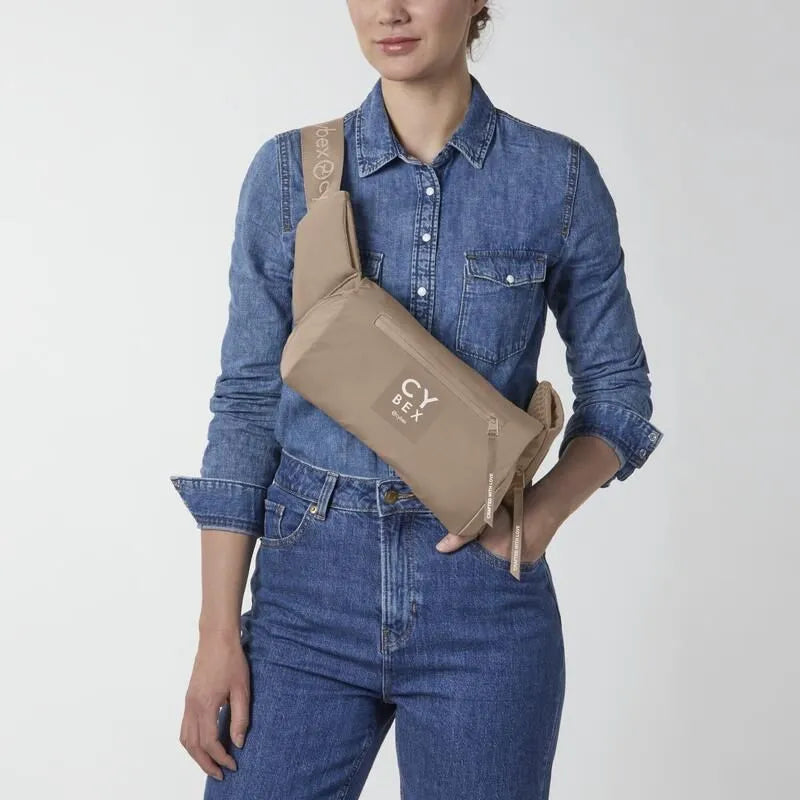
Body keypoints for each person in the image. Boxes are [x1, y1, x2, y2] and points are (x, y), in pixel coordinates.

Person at [170, 1, 664, 797]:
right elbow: (248, 404)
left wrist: (536, 521)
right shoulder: (291, 173)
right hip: (306, 595)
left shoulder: (556, 178)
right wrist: (215, 632)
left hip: (481, 609)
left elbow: (619, 393)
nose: (390, 11)